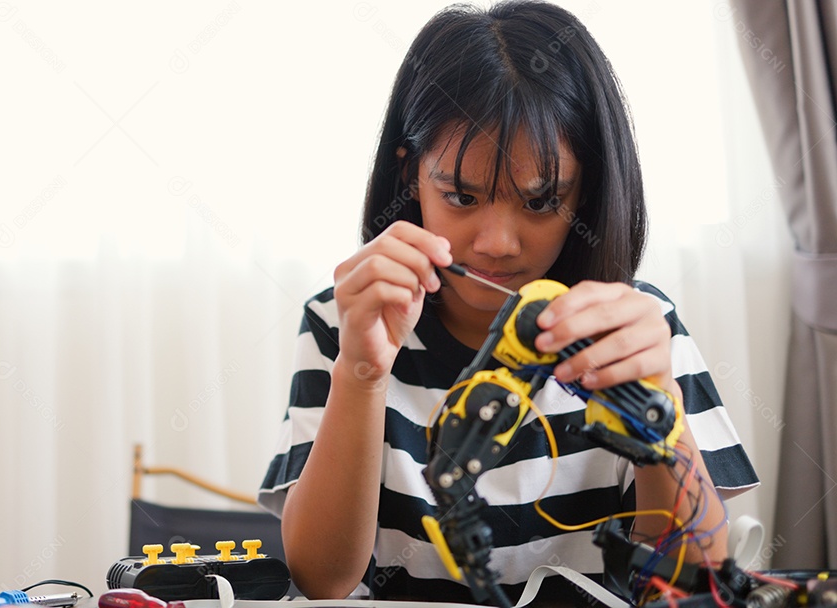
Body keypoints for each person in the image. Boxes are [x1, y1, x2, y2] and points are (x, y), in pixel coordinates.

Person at [258, 0, 759, 603]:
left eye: (543, 202)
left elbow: (697, 582)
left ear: (591, 191)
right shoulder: (343, 322)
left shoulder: (638, 331)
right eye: (462, 197)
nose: (497, 244)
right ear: (410, 175)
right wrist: (362, 373)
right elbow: (322, 578)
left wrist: (658, 411)